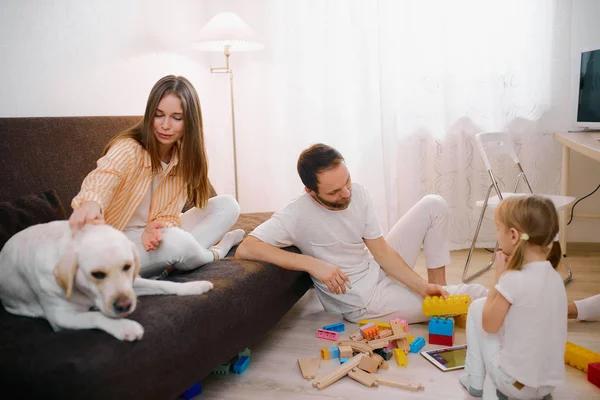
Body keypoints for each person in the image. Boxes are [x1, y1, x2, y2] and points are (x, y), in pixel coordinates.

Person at [235, 143, 487, 323]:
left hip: (376, 270)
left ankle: (439, 293)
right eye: (334, 192)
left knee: (434, 204)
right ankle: (448, 306)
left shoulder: (357, 193)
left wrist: (422, 286)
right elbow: (247, 247)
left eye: (346, 182)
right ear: (310, 191)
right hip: (363, 301)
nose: (346, 193)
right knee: (477, 294)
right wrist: (312, 264)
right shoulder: (296, 214)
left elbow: (381, 251)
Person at [70, 75, 244, 278]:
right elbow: (105, 175)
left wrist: (155, 229)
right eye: (158, 115)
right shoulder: (128, 148)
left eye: (176, 118)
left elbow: (169, 215)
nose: (165, 125)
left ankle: (175, 261)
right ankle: (214, 253)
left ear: (189, 121)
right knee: (178, 242)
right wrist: (91, 203)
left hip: (151, 236)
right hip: (116, 243)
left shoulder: (183, 158)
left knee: (228, 205)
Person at [460, 195, 567, 399]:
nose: (497, 234)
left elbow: (488, 325)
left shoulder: (513, 279)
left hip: (515, 384)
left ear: (513, 235)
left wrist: (498, 277)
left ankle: (476, 381)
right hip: (546, 385)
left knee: (476, 309)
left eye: (498, 228)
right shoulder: (555, 278)